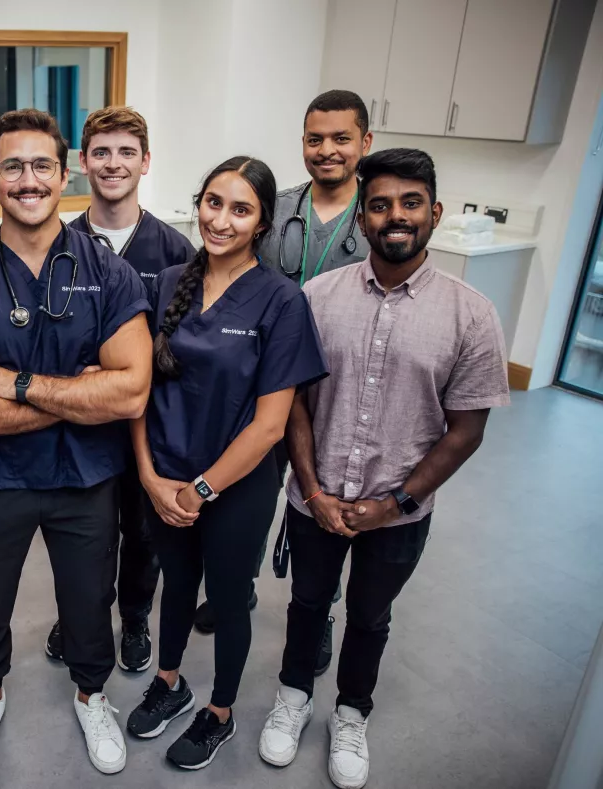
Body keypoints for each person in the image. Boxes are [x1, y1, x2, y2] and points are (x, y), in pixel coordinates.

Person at [258, 148, 510, 789]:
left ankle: (351, 712)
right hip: (316, 499)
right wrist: (312, 490)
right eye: (380, 205)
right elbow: (295, 406)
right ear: (361, 222)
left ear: (435, 212)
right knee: (308, 604)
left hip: (398, 512)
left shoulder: (471, 315)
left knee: (370, 615)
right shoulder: (316, 297)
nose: (395, 216)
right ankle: (293, 698)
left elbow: (467, 430)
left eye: (410, 203)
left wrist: (394, 503)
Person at [0, 108, 152, 775]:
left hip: (85, 479)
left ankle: (91, 694)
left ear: (65, 171)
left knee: (88, 598)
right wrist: (77, 397)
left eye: (41, 165)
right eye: (12, 166)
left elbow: (131, 391)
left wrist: (16, 383)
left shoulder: (106, 271)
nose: (28, 179)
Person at [123, 157, 327, 771]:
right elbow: (137, 391)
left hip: (234, 486)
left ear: (262, 222)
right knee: (177, 585)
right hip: (164, 478)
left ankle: (220, 712)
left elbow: (271, 424)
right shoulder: (165, 285)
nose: (221, 219)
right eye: (213, 202)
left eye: (240, 209)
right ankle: (170, 681)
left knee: (231, 598)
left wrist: (202, 490)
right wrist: (151, 477)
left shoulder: (281, 301)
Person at [193, 89, 374, 673]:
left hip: (338, 383)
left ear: (364, 144)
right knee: (255, 488)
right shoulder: (276, 207)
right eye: (315, 139)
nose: (327, 151)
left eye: (341, 139)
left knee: (325, 499)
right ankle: (235, 584)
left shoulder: (376, 213)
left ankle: (318, 611)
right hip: (266, 376)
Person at [45, 106, 196, 673]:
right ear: (84, 163)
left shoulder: (175, 252)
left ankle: (134, 618)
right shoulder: (58, 244)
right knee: (81, 533)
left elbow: (184, 346)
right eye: (101, 152)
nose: (113, 163)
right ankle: (79, 615)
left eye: (126, 152)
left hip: (146, 425)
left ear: (146, 162)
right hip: (74, 424)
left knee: (142, 533)